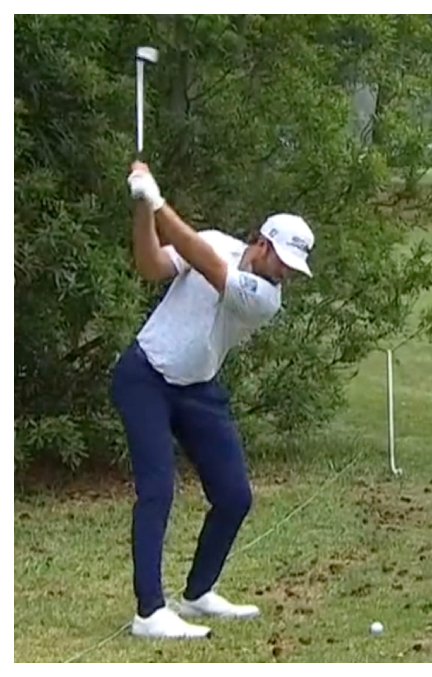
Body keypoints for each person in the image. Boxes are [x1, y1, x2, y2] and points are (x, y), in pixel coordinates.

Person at [112, 162, 315, 639]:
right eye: (282, 262)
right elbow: (152, 266)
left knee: (234, 496)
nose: (285, 275)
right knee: (158, 489)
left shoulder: (265, 299)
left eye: (292, 269)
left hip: (198, 387)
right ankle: (149, 613)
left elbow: (204, 263)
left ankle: (198, 593)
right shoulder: (218, 242)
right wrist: (144, 208)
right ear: (261, 244)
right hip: (144, 376)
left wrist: (158, 199)